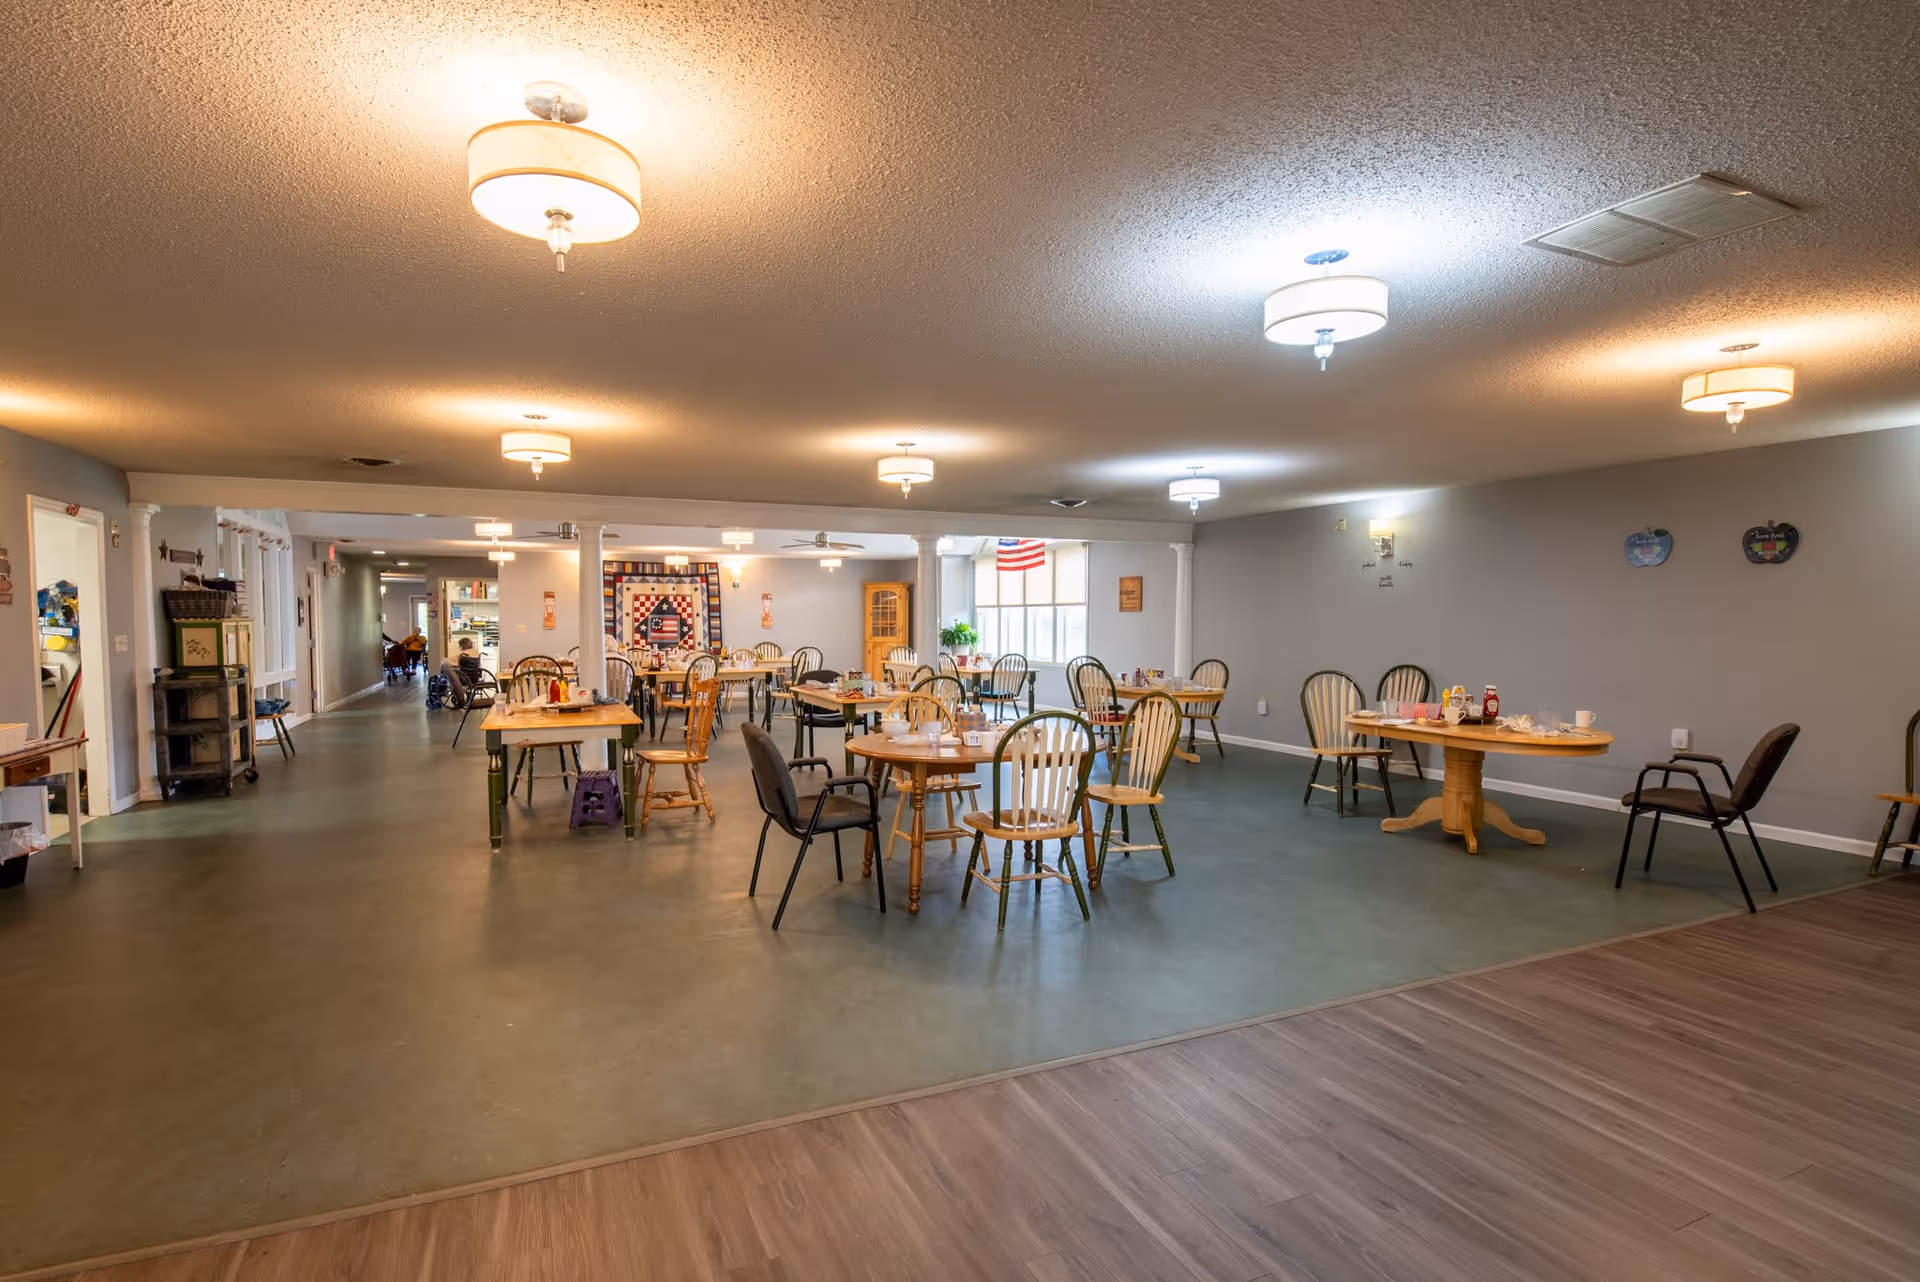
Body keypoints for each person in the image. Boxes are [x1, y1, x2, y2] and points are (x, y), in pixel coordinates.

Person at [439, 638, 485, 706]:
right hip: (474, 678)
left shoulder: (463, 655)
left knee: (445, 666)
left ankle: (443, 689)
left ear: (461, 646)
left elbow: (446, 661)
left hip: (463, 679)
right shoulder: (476, 653)